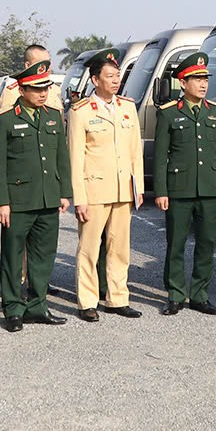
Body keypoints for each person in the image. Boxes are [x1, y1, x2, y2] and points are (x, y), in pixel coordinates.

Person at [0, 60, 71, 331]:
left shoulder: (52, 116)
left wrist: (64, 192)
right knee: (13, 256)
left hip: (47, 197)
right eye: (36, 88)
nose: (43, 93)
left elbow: (61, 158)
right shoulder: (4, 119)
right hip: (18, 200)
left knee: (43, 256)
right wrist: (1, 202)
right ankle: (13, 308)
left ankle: (37, 306)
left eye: (46, 88)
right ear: (22, 90)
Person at [153, 51, 216, 315]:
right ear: (183, 82)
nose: (203, 84)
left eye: (205, 79)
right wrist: (161, 191)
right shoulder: (168, 114)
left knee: (207, 244)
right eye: (197, 79)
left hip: (210, 188)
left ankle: (199, 295)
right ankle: (175, 294)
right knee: (176, 244)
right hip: (180, 188)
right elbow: (161, 157)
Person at [68, 48, 143, 322]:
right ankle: (87, 301)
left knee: (120, 248)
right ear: (95, 79)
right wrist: (79, 198)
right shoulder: (81, 111)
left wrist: (138, 188)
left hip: (123, 189)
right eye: (109, 76)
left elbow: (135, 152)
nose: (115, 80)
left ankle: (117, 298)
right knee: (89, 249)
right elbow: (76, 158)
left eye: (117, 75)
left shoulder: (127, 107)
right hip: (95, 191)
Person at [0, 43, 63, 113]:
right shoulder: (12, 93)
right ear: (27, 65)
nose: (47, 68)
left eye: (48, 63)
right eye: (41, 64)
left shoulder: (56, 90)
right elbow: (7, 117)